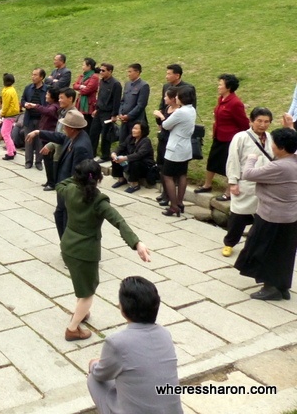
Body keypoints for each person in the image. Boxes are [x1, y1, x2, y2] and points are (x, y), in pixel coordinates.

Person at [58, 160, 151, 341]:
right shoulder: (99, 201)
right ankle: (72, 329)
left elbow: (61, 183)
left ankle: (80, 313)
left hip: (68, 245)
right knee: (87, 292)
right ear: (98, 179)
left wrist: (79, 176)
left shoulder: (68, 190)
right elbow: (119, 221)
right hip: (86, 251)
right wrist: (137, 243)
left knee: (80, 283)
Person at [87, 276, 182, 414]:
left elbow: (100, 374)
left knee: (93, 380)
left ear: (123, 309)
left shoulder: (116, 342)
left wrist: (93, 364)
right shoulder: (165, 334)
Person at [234, 126, 297, 301]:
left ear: (281, 147)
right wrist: (290, 126)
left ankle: (270, 287)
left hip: (272, 216)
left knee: (264, 250)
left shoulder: (280, 166)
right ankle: (282, 286)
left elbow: (248, 174)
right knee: (284, 252)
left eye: (274, 143)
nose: (272, 146)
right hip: (290, 216)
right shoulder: (294, 161)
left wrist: (251, 159)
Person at [28, 109, 94, 238]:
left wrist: (66, 191)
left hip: (70, 192)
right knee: (60, 215)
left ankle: (69, 246)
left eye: (65, 126)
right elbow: (60, 137)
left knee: (66, 218)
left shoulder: (81, 147)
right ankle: (65, 243)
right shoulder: (74, 137)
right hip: (63, 188)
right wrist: (38, 132)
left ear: (72, 128)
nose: (63, 128)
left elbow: (78, 176)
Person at [221, 107, 273, 257]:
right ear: (251, 121)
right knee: (238, 216)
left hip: (265, 183)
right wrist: (233, 182)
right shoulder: (241, 137)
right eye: (259, 121)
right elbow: (233, 160)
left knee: (262, 218)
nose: (262, 125)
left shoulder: (270, 138)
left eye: (266, 122)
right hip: (245, 181)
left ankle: (255, 246)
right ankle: (229, 243)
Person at [195, 74, 249, 200]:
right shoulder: (222, 99)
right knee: (212, 160)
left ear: (228, 87)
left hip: (230, 139)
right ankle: (207, 184)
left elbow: (243, 123)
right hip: (219, 135)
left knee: (230, 165)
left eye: (221, 84)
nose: (218, 87)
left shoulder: (235, 103)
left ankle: (228, 192)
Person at [160, 86, 197, 217]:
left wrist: (160, 116)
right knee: (182, 174)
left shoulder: (180, 112)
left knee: (168, 175)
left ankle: (174, 205)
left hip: (175, 147)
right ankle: (180, 202)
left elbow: (165, 125)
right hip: (185, 147)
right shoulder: (192, 110)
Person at [14, 68, 47, 170]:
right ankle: (28, 161)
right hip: (29, 117)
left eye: (35, 75)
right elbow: (23, 99)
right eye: (32, 74)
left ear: (41, 77)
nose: (33, 77)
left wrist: (36, 106)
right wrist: (25, 104)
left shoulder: (47, 89)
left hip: (41, 119)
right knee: (28, 140)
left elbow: (48, 104)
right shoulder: (28, 88)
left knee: (39, 141)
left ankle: (38, 161)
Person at [110, 122, 154, 193]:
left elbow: (139, 155)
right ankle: (121, 179)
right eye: (133, 128)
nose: (133, 130)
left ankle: (135, 184)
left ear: (142, 131)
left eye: (136, 129)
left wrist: (125, 158)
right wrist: (114, 153)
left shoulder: (146, 141)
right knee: (115, 158)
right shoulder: (130, 138)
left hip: (144, 166)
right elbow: (121, 147)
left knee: (135, 162)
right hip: (130, 161)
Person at [91, 63, 122, 163]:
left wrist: (114, 115)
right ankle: (92, 152)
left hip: (108, 113)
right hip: (99, 111)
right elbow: (100, 96)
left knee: (105, 135)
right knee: (93, 132)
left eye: (103, 70)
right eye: (100, 70)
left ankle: (105, 155)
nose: (101, 72)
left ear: (110, 71)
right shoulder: (102, 81)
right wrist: (96, 108)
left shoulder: (115, 84)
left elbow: (116, 101)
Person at [117, 63, 149, 144]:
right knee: (123, 141)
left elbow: (141, 105)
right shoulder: (127, 84)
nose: (128, 74)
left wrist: (129, 116)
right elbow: (122, 101)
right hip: (124, 120)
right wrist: (120, 113)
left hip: (135, 121)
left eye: (130, 72)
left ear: (137, 72)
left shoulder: (144, 86)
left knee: (133, 143)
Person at [73, 58, 99, 130]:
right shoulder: (82, 76)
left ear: (89, 66)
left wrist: (79, 89)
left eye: (83, 65)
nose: (82, 67)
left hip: (88, 105)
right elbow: (74, 85)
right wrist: (81, 86)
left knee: (87, 124)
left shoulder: (94, 77)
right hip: (80, 103)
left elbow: (87, 90)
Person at [0, 73, 21, 161]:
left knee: (5, 133)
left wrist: (2, 113)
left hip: (9, 114)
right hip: (14, 113)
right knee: (7, 133)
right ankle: (13, 149)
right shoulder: (12, 89)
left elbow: (6, 104)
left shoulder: (7, 91)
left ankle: (10, 153)